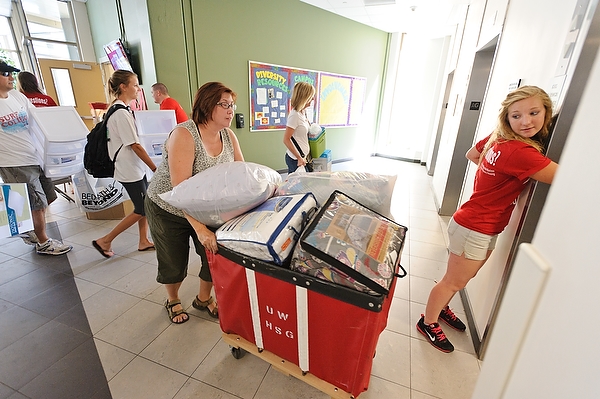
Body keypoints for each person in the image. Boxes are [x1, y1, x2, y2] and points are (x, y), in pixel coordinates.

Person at [416, 86, 559, 353]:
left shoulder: (498, 138)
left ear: (546, 112)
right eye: (516, 116)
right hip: (475, 226)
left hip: (481, 223)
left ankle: (442, 307)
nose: (525, 121)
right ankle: (428, 321)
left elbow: (472, 154)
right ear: (507, 118)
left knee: (461, 278)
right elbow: (566, 176)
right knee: (453, 281)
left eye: (533, 112)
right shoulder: (520, 152)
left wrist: (495, 179)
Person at [145, 81, 244, 324]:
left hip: (205, 206)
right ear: (207, 105)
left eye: (232, 105)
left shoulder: (228, 135)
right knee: (173, 260)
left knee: (212, 255)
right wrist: (199, 228)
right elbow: (181, 191)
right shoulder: (184, 134)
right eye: (224, 105)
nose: (231, 110)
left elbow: (242, 173)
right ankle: (173, 299)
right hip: (167, 206)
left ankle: (202, 298)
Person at [0, 61, 72, 255]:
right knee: (36, 203)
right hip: (14, 162)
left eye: (12, 74)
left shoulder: (17, 96)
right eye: (5, 73)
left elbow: (38, 119)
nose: (11, 77)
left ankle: (29, 229)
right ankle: (43, 241)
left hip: (35, 156)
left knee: (49, 196)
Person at [91, 70, 156, 258]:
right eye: (135, 85)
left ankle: (143, 240)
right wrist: (154, 167)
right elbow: (134, 145)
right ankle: (105, 240)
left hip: (134, 167)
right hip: (129, 168)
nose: (138, 89)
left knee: (144, 204)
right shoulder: (120, 113)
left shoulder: (119, 109)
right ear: (123, 87)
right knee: (143, 207)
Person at [283, 82, 315, 174]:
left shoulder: (303, 112)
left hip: (303, 157)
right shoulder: (295, 115)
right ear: (304, 97)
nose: (313, 99)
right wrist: (299, 158)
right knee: (296, 187)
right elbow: (286, 139)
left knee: (303, 185)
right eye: (311, 96)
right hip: (295, 159)